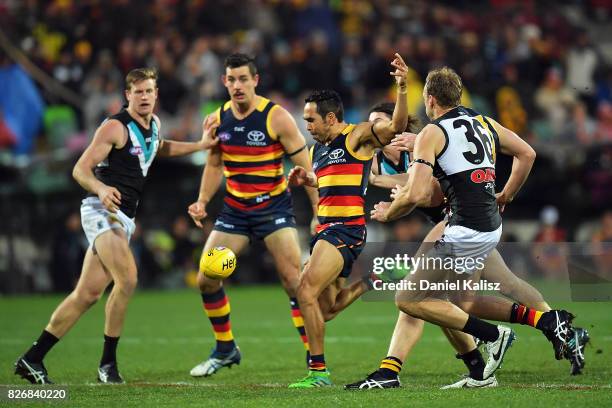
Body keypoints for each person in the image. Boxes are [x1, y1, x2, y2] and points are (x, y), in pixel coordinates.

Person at [368, 67, 575, 386]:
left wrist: (391, 210)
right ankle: (548, 322)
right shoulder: (483, 122)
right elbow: (527, 153)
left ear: (430, 98)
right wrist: (506, 193)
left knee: (409, 298)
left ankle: (493, 338)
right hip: (489, 224)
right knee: (465, 300)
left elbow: (421, 192)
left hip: (461, 227)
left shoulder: (431, 133)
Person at [15, 68, 218, 384]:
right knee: (128, 279)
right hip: (101, 210)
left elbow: (160, 147)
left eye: (149, 91)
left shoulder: (153, 125)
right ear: (127, 95)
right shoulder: (114, 127)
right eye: (138, 92)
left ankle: (32, 359)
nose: (145, 97)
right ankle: (107, 364)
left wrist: (201, 145)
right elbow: (80, 169)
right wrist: (100, 188)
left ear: (156, 93)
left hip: (123, 218)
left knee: (87, 294)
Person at [187, 53, 319, 377]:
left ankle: (312, 354)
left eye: (243, 79)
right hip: (236, 213)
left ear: (255, 80)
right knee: (208, 278)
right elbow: (215, 164)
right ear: (224, 82)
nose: (237, 86)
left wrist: (319, 211)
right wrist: (203, 200)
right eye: (231, 80)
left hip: (273, 209)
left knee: (292, 281)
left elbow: (306, 168)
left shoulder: (277, 118)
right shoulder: (217, 119)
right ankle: (226, 348)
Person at [286, 53, 410, 388]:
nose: (306, 126)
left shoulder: (358, 136)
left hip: (346, 230)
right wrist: (309, 179)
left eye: (311, 120)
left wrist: (401, 88)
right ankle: (376, 278)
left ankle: (318, 372)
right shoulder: (317, 151)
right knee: (327, 309)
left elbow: (397, 126)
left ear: (330, 117)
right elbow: (330, 181)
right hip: (326, 229)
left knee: (305, 289)